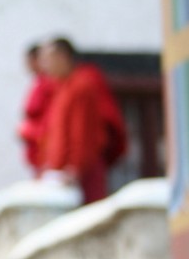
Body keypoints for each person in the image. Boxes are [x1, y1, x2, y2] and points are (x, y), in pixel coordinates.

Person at [38, 37, 127, 203]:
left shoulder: (82, 85)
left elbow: (83, 133)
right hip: (61, 173)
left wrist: (75, 169)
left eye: (47, 59)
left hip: (80, 173)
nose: (44, 66)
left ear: (62, 57)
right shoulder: (60, 88)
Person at [18, 43, 56, 175]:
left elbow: (52, 121)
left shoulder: (50, 84)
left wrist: (29, 131)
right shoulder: (40, 83)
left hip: (45, 150)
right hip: (37, 150)